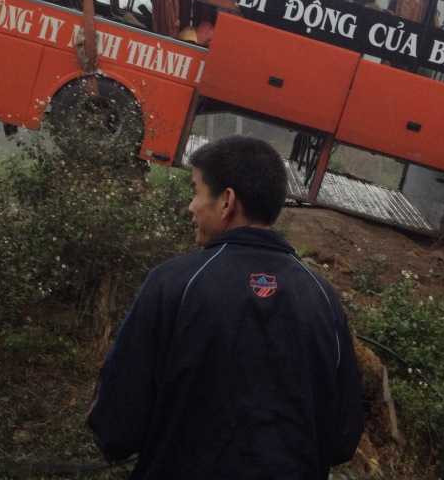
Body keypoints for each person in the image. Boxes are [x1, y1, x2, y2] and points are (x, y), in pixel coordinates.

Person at [87, 135, 364, 479]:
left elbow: (116, 425)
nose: (191, 206)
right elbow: (342, 437)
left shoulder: (173, 284)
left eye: (196, 191)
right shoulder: (323, 299)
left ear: (227, 201)